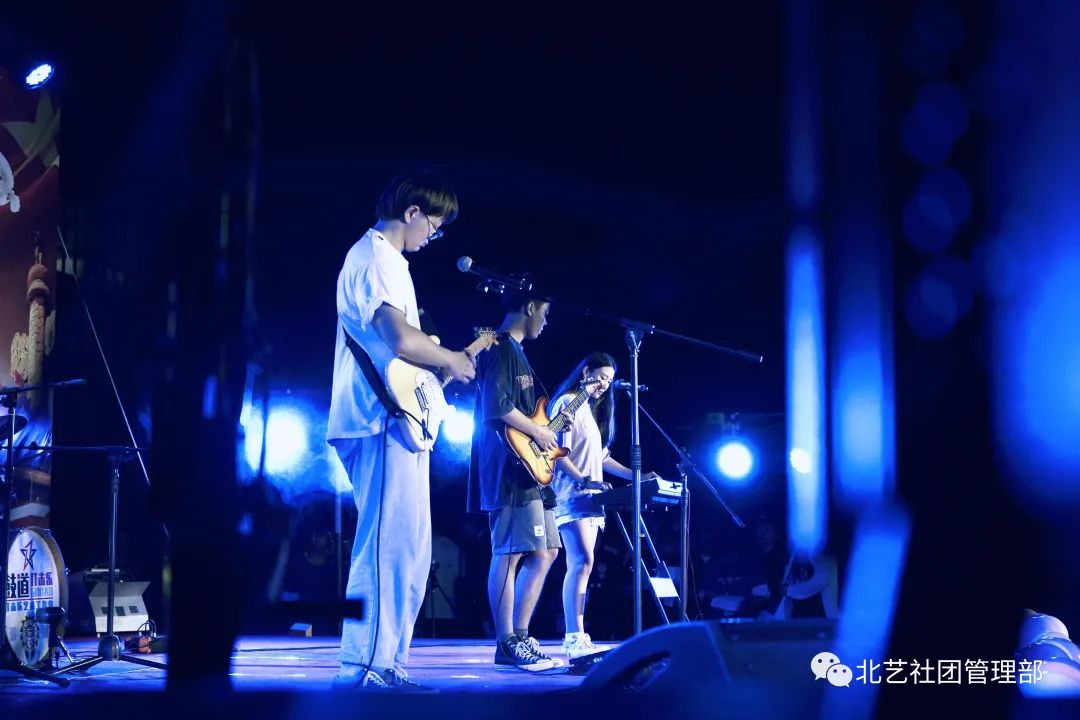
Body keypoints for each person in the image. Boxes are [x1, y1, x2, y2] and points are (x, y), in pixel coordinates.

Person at [327, 170, 476, 691]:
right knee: (385, 546)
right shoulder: (375, 257)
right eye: (434, 224)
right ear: (412, 212)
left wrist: (436, 366)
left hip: (395, 419)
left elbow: (398, 349)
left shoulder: (388, 261)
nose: (435, 235)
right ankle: (363, 666)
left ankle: (388, 664)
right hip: (377, 418)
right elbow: (398, 338)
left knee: (410, 549)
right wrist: (450, 358)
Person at [467, 289, 563, 672]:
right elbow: (496, 406)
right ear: (531, 307)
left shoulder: (517, 352)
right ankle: (506, 642)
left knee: (546, 551)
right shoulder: (501, 346)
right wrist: (538, 432)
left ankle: (520, 636)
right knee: (509, 552)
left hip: (528, 467)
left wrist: (545, 428)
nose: (546, 321)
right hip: (509, 468)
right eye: (546, 312)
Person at [546, 351, 664, 660]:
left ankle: (577, 634)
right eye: (600, 378)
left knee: (584, 565)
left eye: (609, 381)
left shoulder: (591, 411)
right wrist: (584, 479)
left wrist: (637, 476)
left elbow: (601, 458)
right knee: (581, 561)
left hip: (592, 499)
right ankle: (573, 635)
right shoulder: (568, 403)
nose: (604, 385)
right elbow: (555, 452)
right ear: (586, 372)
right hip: (571, 495)